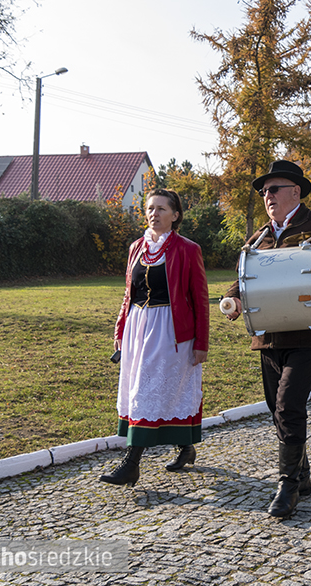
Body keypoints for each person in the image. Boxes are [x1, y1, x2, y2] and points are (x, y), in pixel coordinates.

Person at [223, 160, 311, 518]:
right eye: (263, 191)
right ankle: (302, 475)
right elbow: (246, 274)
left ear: (295, 192)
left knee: (288, 404)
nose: (266, 196)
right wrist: (234, 298)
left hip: (308, 332)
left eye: (273, 189)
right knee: (276, 408)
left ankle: (287, 485)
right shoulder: (259, 236)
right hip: (269, 334)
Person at [101, 188, 210, 487]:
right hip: (138, 327)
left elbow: (200, 298)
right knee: (145, 389)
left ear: (175, 216)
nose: (154, 214)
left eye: (162, 209)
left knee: (150, 391)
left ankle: (131, 464)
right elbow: (128, 293)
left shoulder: (188, 249)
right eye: (150, 208)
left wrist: (201, 342)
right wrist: (120, 330)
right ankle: (185, 447)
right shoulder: (137, 247)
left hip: (171, 331)